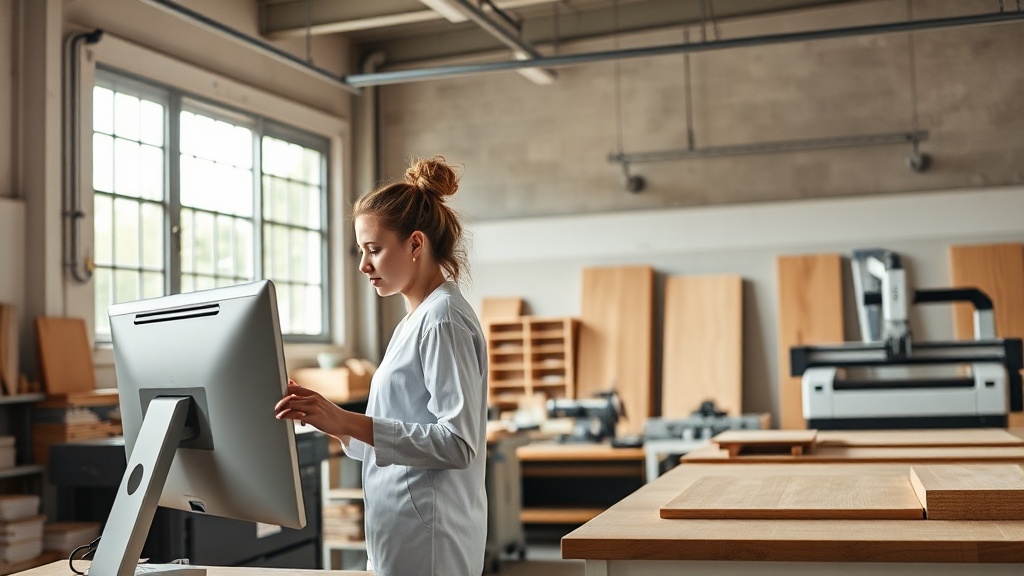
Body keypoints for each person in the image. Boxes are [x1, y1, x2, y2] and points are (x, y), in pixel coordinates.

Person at [274, 156, 488, 576]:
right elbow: (401, 424)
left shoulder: (442, 321)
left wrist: (347, 421)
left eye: (374, 249)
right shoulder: (415, 319)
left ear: (415, 245)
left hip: (430, 539)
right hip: (401, 530)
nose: (363, 265)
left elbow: (457, 444)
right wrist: (332, 422)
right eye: (361, 251)